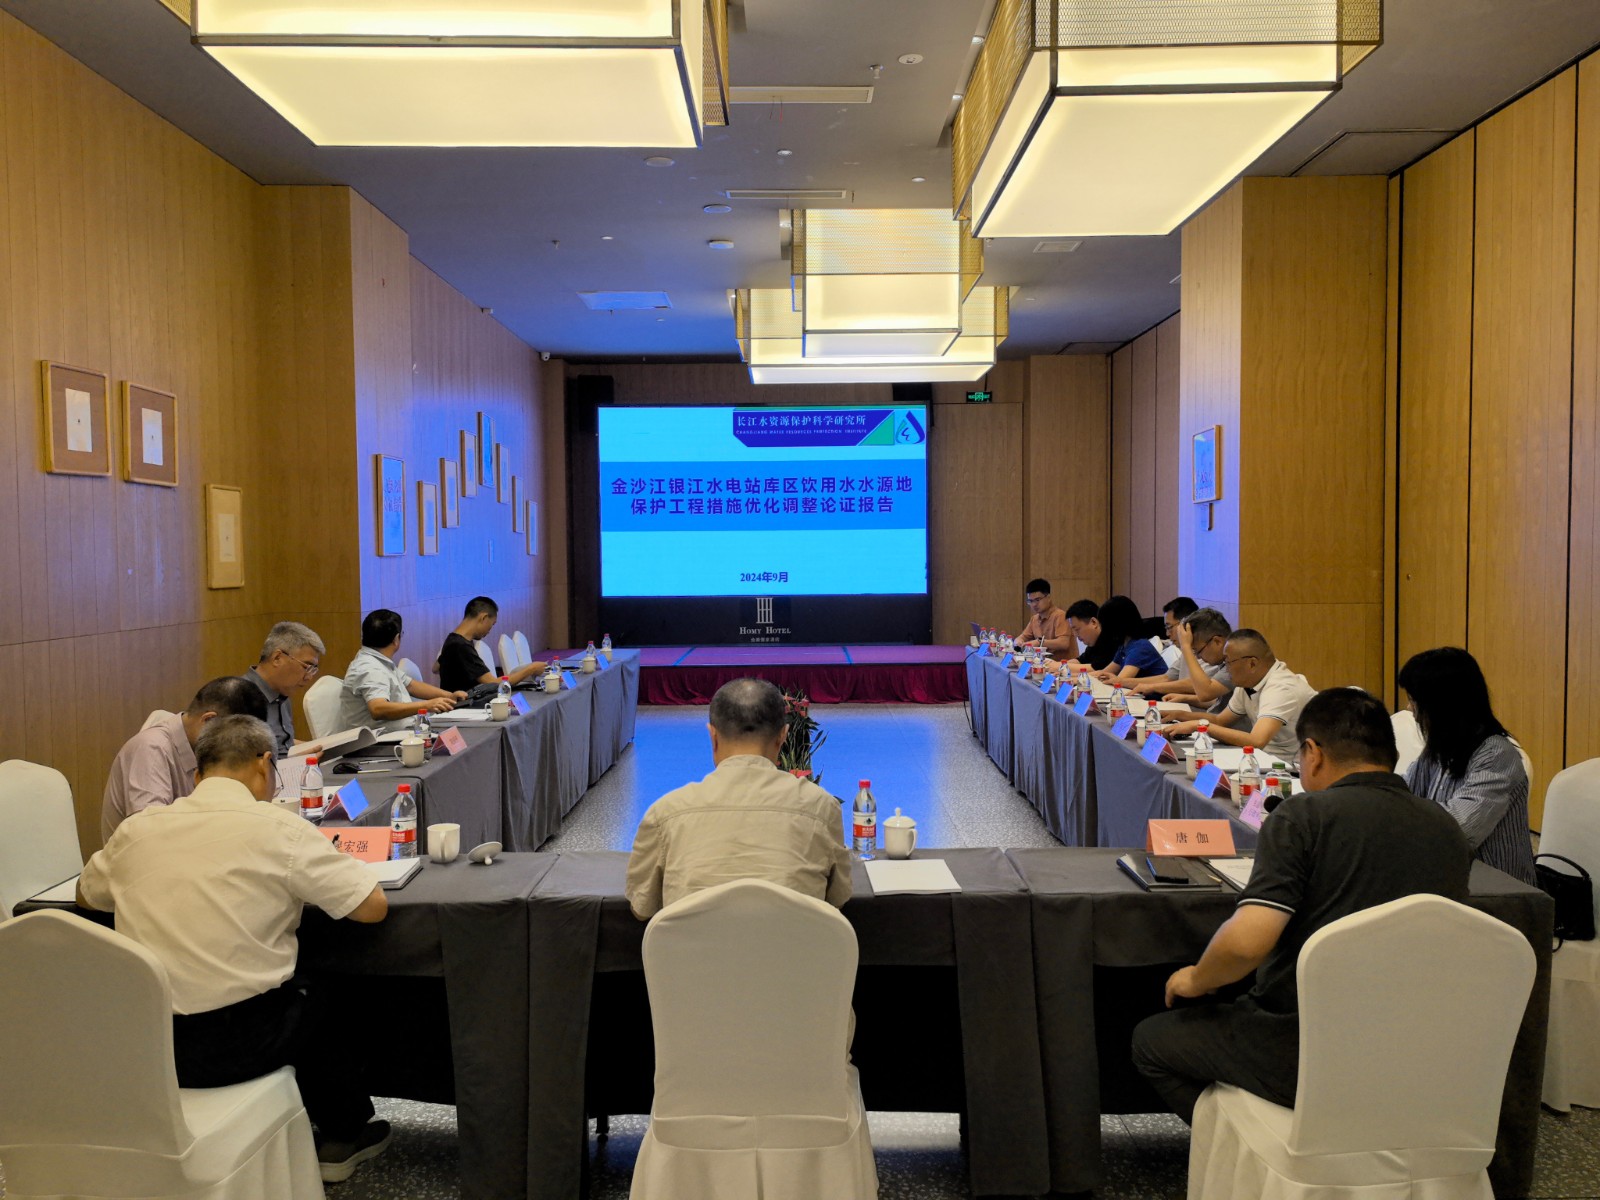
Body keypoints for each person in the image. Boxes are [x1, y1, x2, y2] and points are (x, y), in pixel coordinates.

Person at [1130, 688, 1471, 1123]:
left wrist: (1196, 978)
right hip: (1416, 1052)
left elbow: (1246, 944)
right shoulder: (1446, 826)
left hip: (1303, 1043)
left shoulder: (1303, 816)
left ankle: (1251, 1145)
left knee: (1151, 1041)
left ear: (1312, 753)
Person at [79, 715, 391, 1183]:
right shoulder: (280, 828)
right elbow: (372, 908)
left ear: (196, 774)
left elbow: (87, 895)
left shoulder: (137, 829)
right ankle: (341, 1135)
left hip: (150, 1048)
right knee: (322, 989)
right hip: (242, 1045)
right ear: (265, 765)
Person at [626, 677, 851, 921]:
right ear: (783, 736)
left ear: (713, 736)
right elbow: (838, 897)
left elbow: (642, 907)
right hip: (796, 946)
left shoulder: (666, 812)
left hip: (695, 948)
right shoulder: (821, 807)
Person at [1398, 647, 1537, 885]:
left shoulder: (1497, 756)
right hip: (1452, 878)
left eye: (1414, 700)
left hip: (1498, 892)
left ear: (1441, 705)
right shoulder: (1440, 748)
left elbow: (1457, 830)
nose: (1410, 709)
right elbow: (1402, 792)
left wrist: (1401, 816)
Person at [101, 676, 268, 843]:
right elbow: (150, 836)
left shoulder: (203, 749)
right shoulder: (151, 749)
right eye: (237, 739)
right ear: (209, 721)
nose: (238, 750)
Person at [1161, 629, 1312, 762]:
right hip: (1264, 760)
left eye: (1228, 662)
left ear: (1252, 663)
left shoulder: (1281, 688)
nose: (1226, 669)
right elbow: (1220, 720)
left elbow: (1257, 740)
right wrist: (1179, 715)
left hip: (1291, 770)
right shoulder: (1248, 682)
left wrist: (1199, 726)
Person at [338, 609, 464, 732]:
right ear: (396, 639)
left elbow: (410, 685)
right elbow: (378, 709)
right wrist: (426, 705)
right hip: (381, 741)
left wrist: (449, 696)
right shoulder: (370, 669)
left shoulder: (377, 660)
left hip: (401, 733)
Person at [244, 621, 326, 757]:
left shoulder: (282, 692)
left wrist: (319, 747)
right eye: (306, 667)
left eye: (313, 670)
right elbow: (242, 761)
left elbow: (282, 745)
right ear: (277, 658)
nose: (309, 677)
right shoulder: (237, 697)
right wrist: (299, 760)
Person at [436, 596, 547, 693]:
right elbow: (493, 684)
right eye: (492, 624)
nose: (490, 630)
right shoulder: (461, 646)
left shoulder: (453, 639)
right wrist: (531, 669)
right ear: (483, 618)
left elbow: (435, 667)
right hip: (463, 707)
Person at [1133, 607, 1233, 711]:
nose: (1198, 657)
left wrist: (1186, 647)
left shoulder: (1234, 663)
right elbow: (1217, 702)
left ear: (1217, 642)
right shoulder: (1224, 662)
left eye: (1198, 651)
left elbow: (1205, 693)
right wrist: (1185, 699)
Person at [1071, 595, 1166, 682]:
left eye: (1105, 624)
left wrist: (1076, 680)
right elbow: (1103, 673)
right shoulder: (1124, 646)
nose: (1102, 629)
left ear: (1116, 624)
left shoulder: (1140, 647)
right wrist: (1071, 678)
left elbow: (1119, 682)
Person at [1015, 578, 1075, 657]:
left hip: (1062, 663)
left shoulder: (1060, 615)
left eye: (1037, 600)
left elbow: (1064, 643)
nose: (1034, 604)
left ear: (1048, 597)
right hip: (1042, 662)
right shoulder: (1034, 619)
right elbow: (1022, 637)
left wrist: (1040, 642)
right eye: (1030, 601)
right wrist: (1018, 642)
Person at [1062, 599, 1117, 671]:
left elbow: (1097, 668)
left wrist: (1059, 667)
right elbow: (1081, 661)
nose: (1075, 635)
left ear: (1094, 622)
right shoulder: (1094, 641)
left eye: (1077, 629)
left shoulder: (1111, 639)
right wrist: (1060, 664)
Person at [1159, 596, 1199, 672]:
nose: (1167, 634)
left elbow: (1192, 679)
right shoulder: (1184, 649)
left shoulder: (1204, 656)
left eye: (1169, 627)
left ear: (1185, 624)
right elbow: (1167, 676)